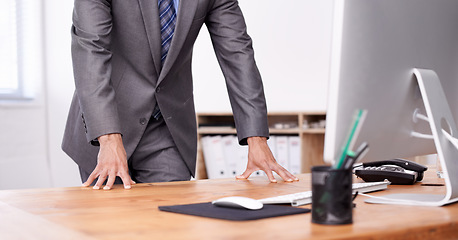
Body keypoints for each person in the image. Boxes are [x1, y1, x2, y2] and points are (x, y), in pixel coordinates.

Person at [62, 0, 298, 190]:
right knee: (110, 227)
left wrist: (256, 138)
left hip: (166, 125)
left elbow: (238, 53)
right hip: (106, 121)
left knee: (172, 222)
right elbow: (90, 51)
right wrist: (108, 138)